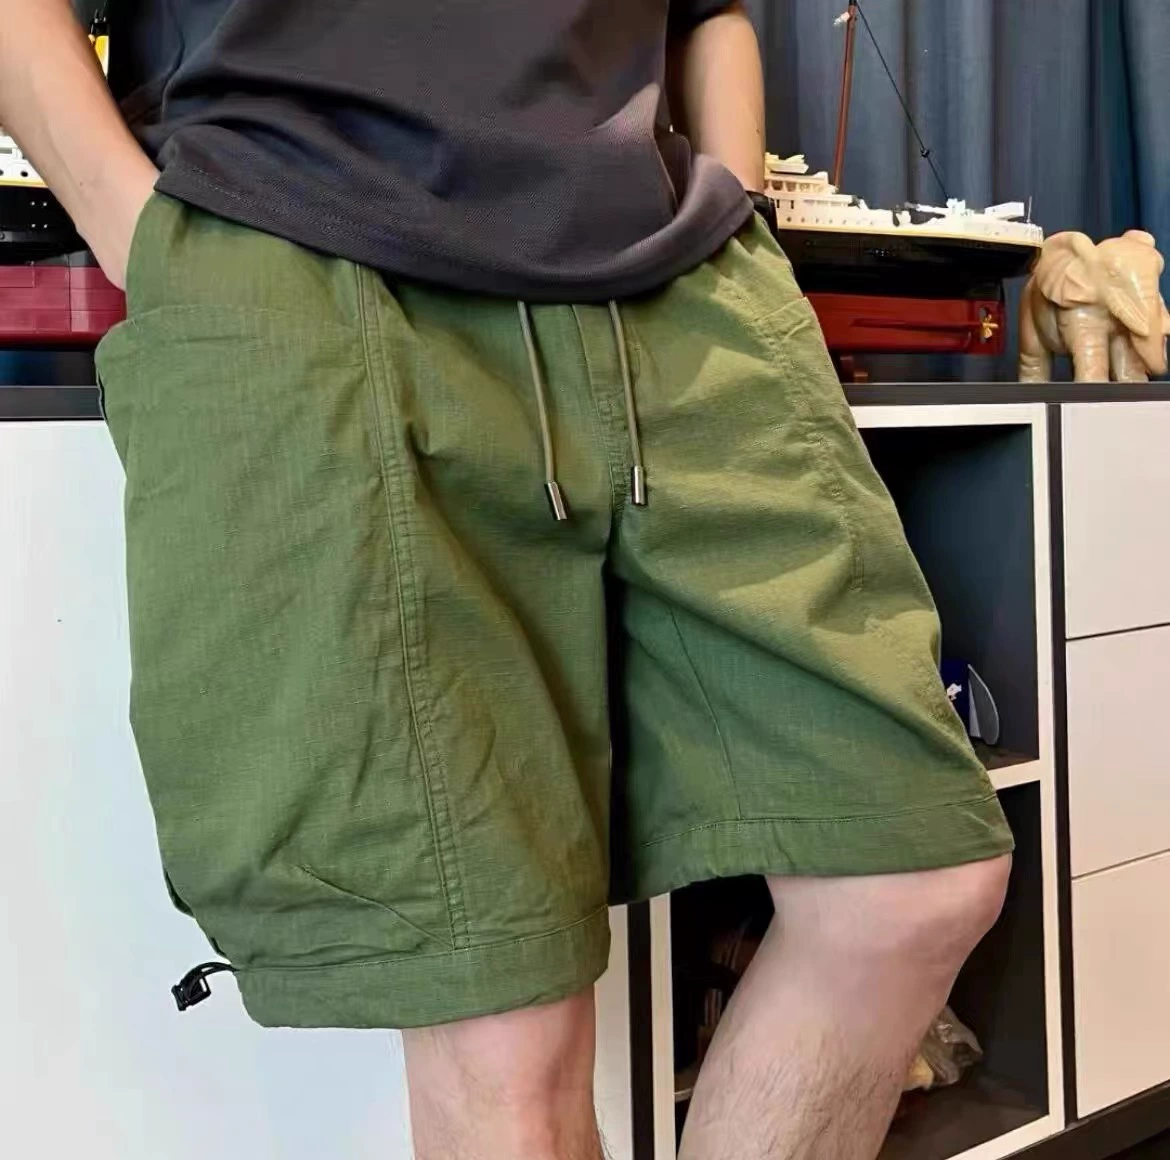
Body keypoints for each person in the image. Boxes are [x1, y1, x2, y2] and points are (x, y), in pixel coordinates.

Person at [0, 2, 1013, 1157]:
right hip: (304, 253)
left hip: (673, 283)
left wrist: (736, 202)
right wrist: (143, 233)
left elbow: (709, 11)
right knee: (501, 1024)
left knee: (911, 877)